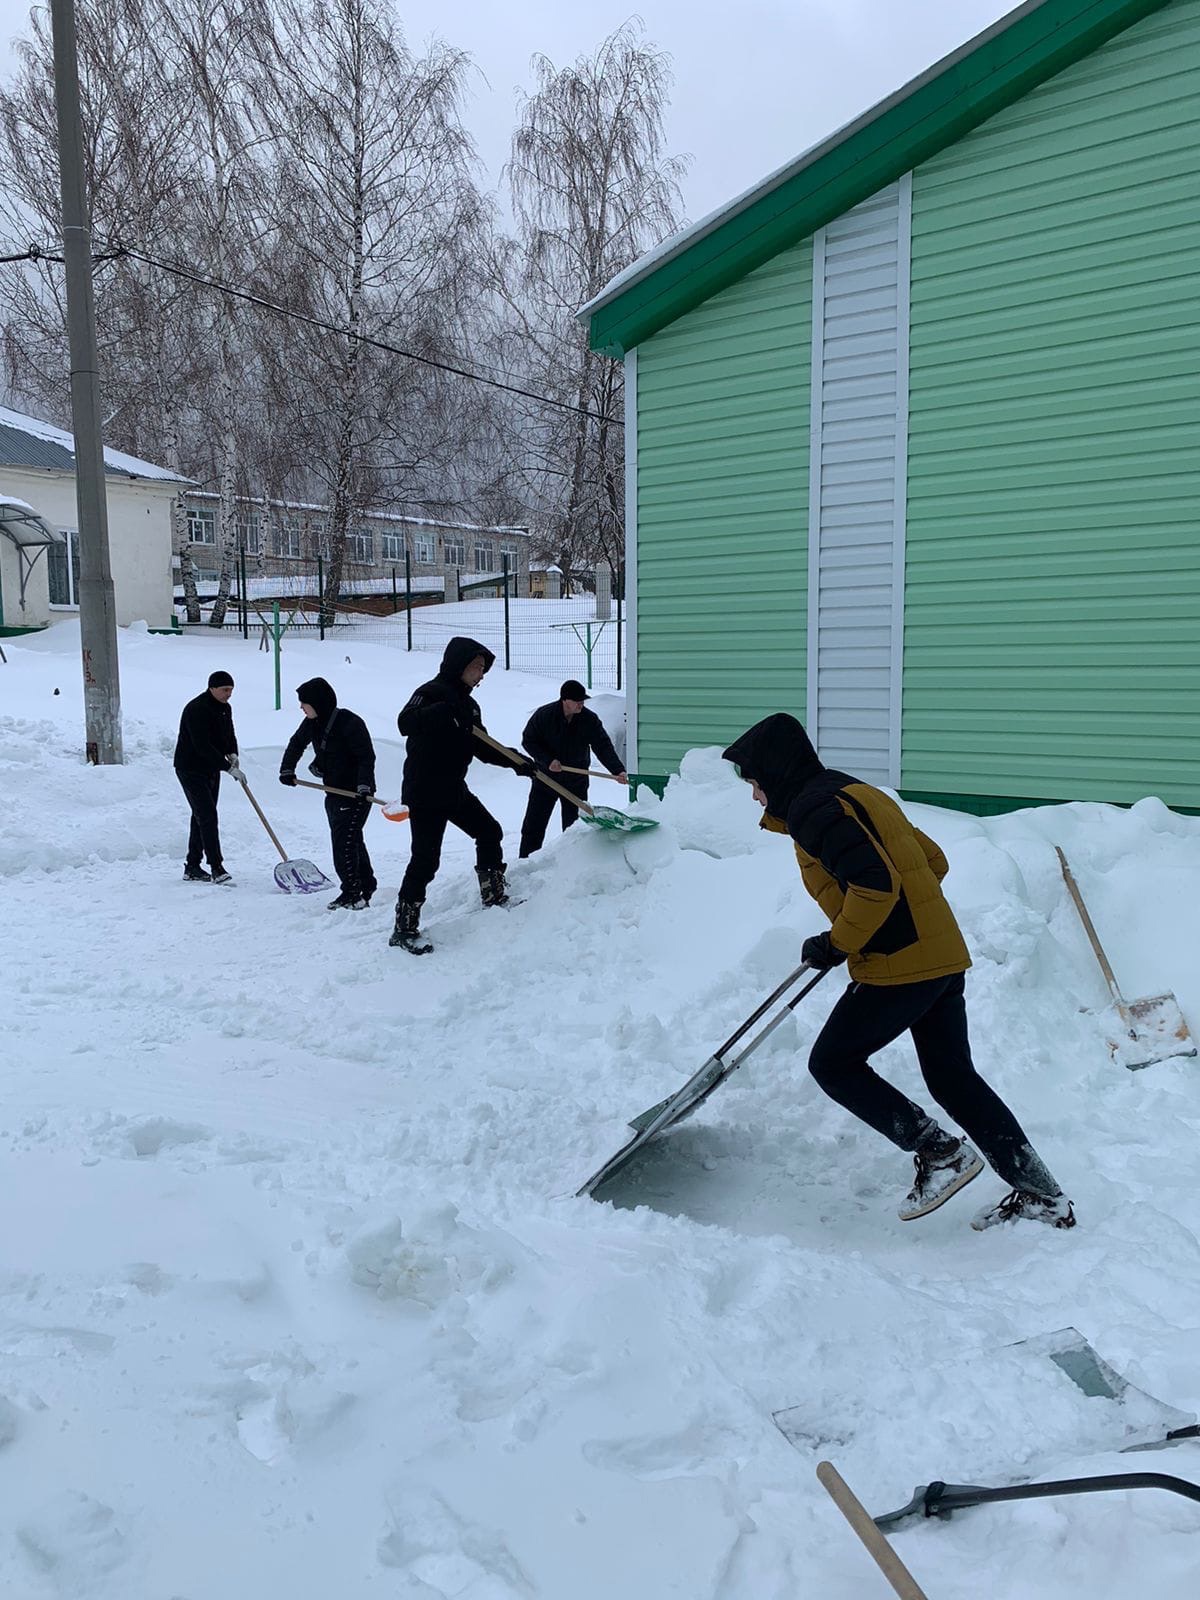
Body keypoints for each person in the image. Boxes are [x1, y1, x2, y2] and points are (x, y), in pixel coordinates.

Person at [722, 713, 1075, 1232]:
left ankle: (940, 1153)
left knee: (833, 1063)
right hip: (939, 953)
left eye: (754, 782)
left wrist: (839, 941)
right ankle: (1043, 1196)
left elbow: (875, 885)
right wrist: (905, 917)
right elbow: (932, 861)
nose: (754, 796)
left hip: (902, 963)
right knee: (954, 1080)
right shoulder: (857, 792)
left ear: (774, 773)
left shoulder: (814, 810)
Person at [389, 636, 535, 954]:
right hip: (425, 790)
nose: (481, 675)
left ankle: (493, 894)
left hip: (453, 787)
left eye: (484, 669)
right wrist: (442, 712)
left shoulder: (469, 705)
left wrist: (516, 762)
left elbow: (482, 746)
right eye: (477, 667)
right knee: (426, 859)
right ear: (461, 664)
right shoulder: (429, 693)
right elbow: (405, 722)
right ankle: (403, 928)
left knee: (489, 831)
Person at [279, 677, 377, 910]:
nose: (301, 707)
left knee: (344, 843)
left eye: (304, 703)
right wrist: (287, 769)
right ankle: (366, 886)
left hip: (356, 794)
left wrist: (363, 787)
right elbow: (296, 743)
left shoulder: (350, 723)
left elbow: (366, 757)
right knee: (352, 840)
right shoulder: (312, 723)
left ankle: (352, 893)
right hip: (333, 791)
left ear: (318, 703)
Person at [517, 679, 628, 857]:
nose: (581, 705)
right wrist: (547, 761)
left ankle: (571, 861)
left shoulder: (588, 719)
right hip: (546, 779)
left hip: (576, 781)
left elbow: (603, 745)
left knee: (574, 827)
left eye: (583, 701)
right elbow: (529, 740)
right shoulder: (544, 716)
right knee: (534, 824)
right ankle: (526, 861)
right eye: (577, 701)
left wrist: (617, 770)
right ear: (565, 700)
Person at [173, 669, 244, 885]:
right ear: (212, 688)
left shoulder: (225, 708)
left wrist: (233, 753)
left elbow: (228, 734)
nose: (228, 694)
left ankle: (193, 866)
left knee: (201, 815)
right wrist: (227, 768)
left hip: (210, 768)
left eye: (231, 690)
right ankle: (216, 867)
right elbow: (202, 746)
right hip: (190, 768)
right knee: (207, 815)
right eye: (225, 690)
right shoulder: (196, 709)